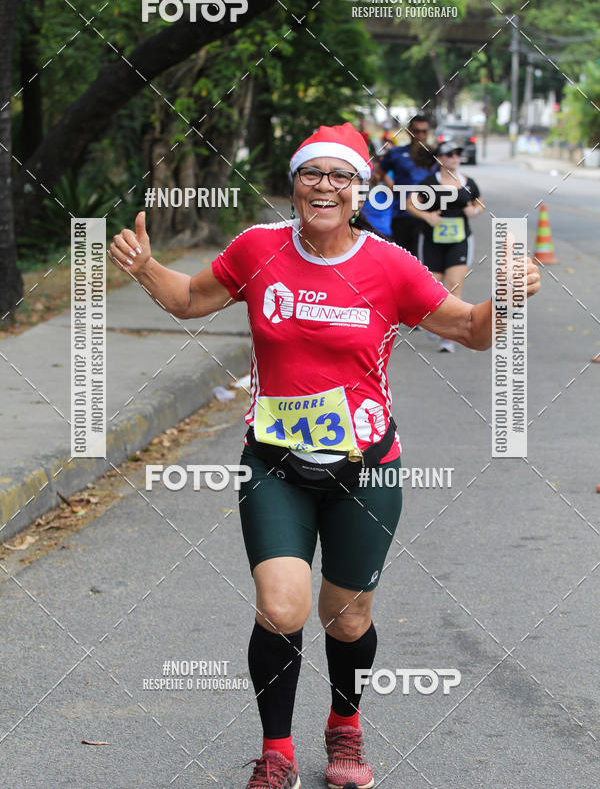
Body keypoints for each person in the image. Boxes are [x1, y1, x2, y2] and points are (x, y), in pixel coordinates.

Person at [108, 123, 540, 789]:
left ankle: (345, 728)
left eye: (341, 176)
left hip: (365, 468)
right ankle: (276, 752)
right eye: (314, 174)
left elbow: (471, 331)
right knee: (281, 607)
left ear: (358, 190)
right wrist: (144, 269)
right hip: (274, 465)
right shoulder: (258, 249)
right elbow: (191, 298)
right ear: (295, 183)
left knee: (348, 615)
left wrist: (506, 297)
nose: (326, 187)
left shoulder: (390, 265)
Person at [407, 139, 484, 353]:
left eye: (458, 154)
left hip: (459, 240)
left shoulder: (468, 182)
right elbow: (410, 204)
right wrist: (427, 216)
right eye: (450, 154)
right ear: (439, 159)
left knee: (454, 287)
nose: (455, 158)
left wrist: (474, 211)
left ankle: (447, 337)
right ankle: (435, 324)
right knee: (433, 287)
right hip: (432, 241)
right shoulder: (428, 182)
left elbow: (479, 202)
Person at [372, 114, 434, 257]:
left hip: (427, 214)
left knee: (425, 262)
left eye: (424, 131)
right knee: (402, 259)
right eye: (417, 131)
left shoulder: (434, 155)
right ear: (409, 131)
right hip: (402, 215)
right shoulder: (396, 153)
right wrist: (391, 185)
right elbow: (378, 174)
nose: (420, 135)